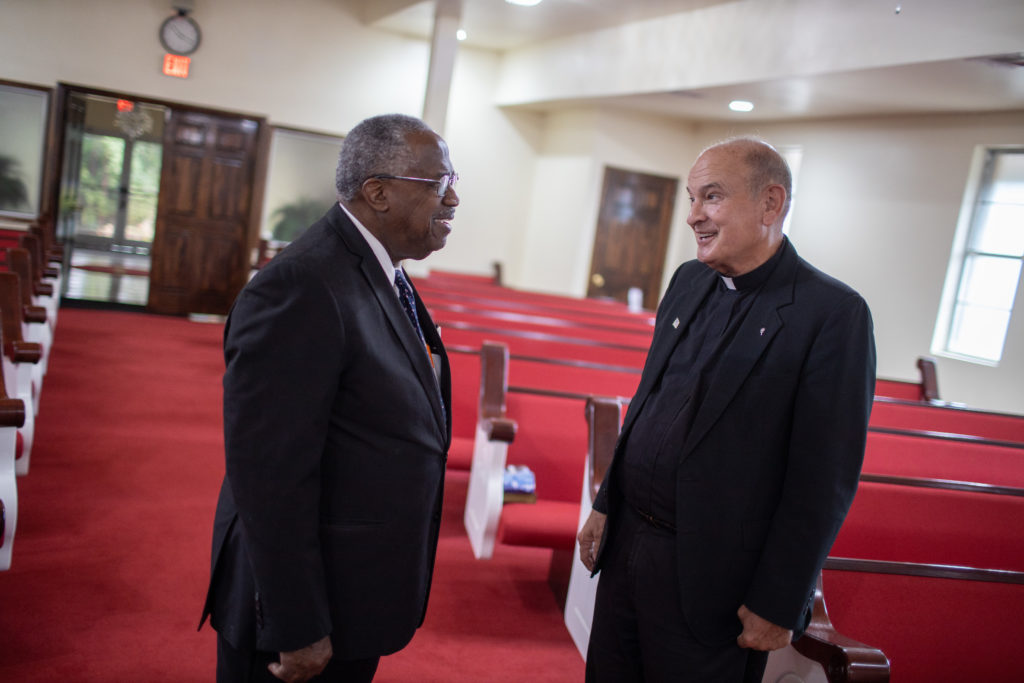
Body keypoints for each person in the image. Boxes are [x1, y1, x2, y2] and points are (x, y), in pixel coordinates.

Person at [577, 137, 876, 682]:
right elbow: (650, 398)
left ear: (771, 203)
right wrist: (605, 502)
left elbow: (823, 477)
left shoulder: (831, 314)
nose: (693, 216)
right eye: (692, 198)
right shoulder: (690, 280)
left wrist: (780, 601)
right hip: (628, 552)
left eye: (711, 197)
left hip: (713, 581)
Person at [199, 113, 458, 683]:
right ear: (378, 192)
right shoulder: (302, 285)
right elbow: (269, 475)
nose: (454, 198)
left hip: (352, 590)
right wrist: (296, 622)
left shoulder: (377, 267)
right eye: (439, 183)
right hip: (301, 609)